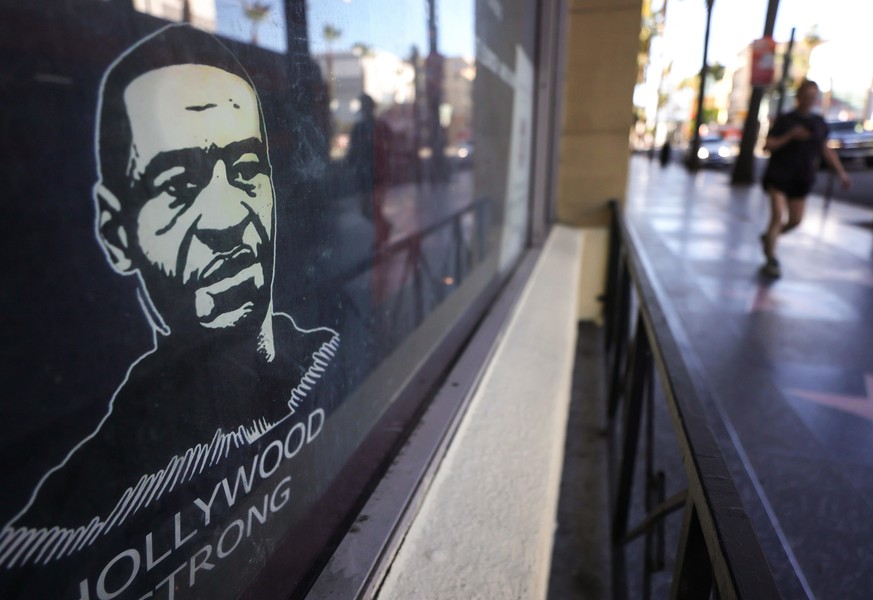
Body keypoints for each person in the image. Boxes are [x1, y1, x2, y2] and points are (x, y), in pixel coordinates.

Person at [0, 25, 339, 568]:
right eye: (179, 186)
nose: (227, 220)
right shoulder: (75, 520)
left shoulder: (336, 359)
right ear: (116, 233)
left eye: (248, 170)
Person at [760, 79, 850, 277]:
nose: (809, 100)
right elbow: (769, 145)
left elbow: (826, 149)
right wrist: (790, 136)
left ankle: (769, 239)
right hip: (779, 175)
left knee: (795, 221)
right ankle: (771, 259)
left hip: (802, 178)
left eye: (812, 97)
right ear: (798, 97)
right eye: (806, 96)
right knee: (777, 216)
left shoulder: (818, 124)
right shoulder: (785, 120)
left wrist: (842, 173)